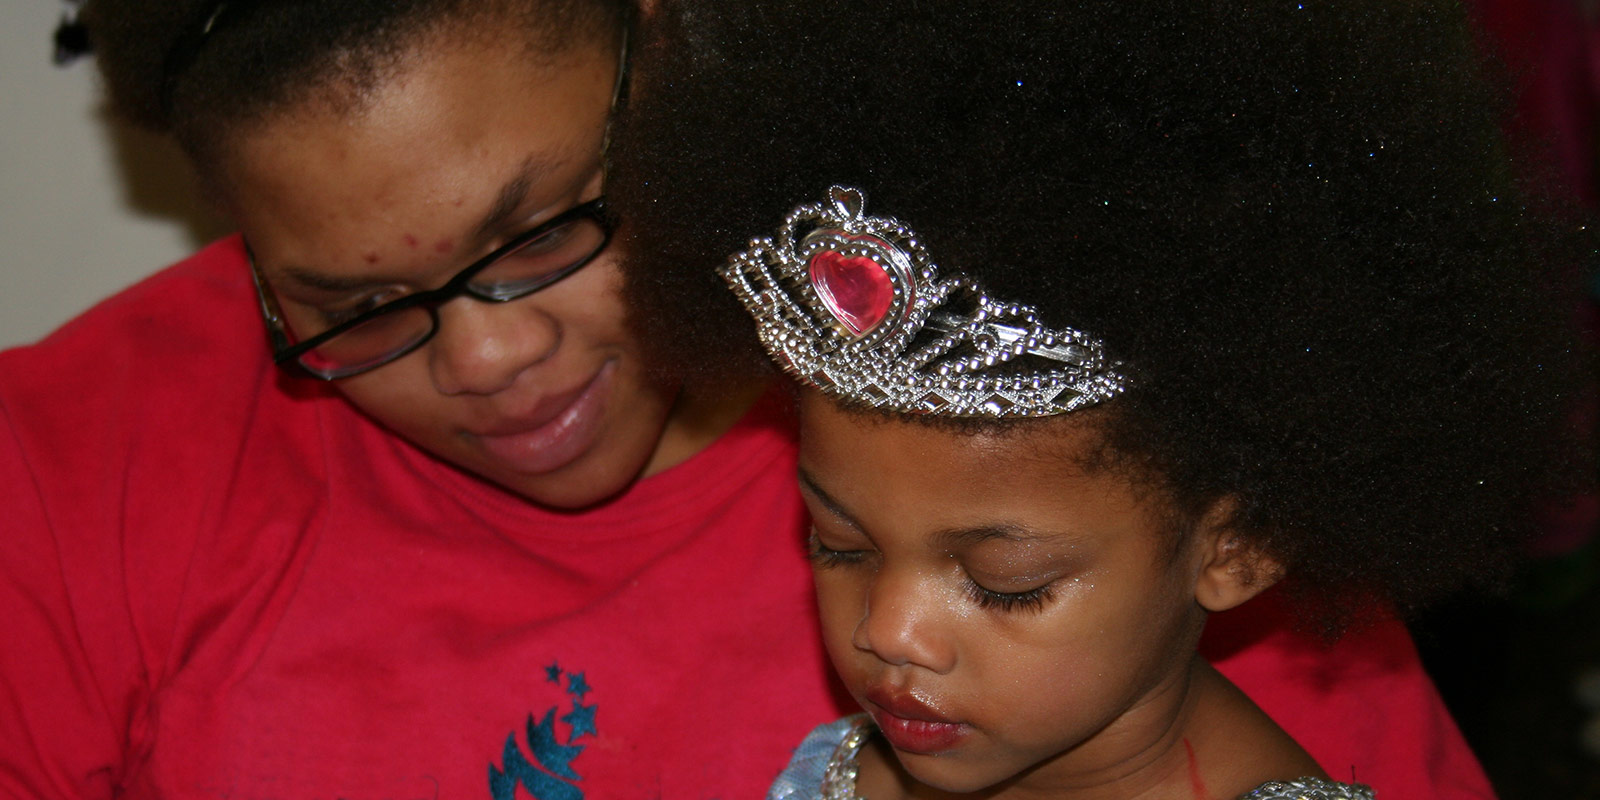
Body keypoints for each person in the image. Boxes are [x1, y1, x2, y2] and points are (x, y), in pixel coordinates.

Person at [0, 0, 1546, 798]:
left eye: (545, 230)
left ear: (663, 51)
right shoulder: (82, 472)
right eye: (352, 309)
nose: (483, 360)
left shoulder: (1085, 400)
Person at [603, 1, 1589, 798]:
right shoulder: (847, 768)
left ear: (1236, 544)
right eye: (838, 543)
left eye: (1005, 579)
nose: (888, 629)